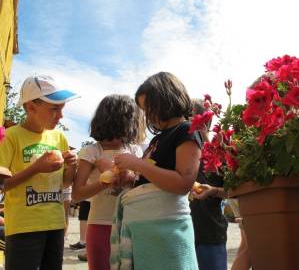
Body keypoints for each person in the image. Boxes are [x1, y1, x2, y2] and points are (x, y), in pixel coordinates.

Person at [112, 72, 202, 270]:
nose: (147, 116)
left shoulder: (187, 130)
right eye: (144, 110)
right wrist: (130, 176)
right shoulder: (157, 140)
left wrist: (137, 164)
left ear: (167, 99)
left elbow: (183, 183)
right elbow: (150, 175)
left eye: (149, 108)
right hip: (144, 230)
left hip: (166, 230)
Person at [0, 75, 79, 270]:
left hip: (55, 223)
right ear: (31, 107)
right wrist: (36, 168)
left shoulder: (59, 137)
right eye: (54, 108)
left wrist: (72, 165)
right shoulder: (11, 137)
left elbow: (65, 183)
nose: (60, 116)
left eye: (61, 109)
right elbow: (4, 185)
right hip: (23, 226)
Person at [72, 94, 144, 270]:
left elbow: (142, 184)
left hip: (130, 225)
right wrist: (105, 181)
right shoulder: (91, 151)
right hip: (100, 223)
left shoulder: (134, 150)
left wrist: (127, 176)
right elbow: (77, 193)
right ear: (129, 120)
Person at [189, 99, 228, 270]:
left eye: (188, 118)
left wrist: (212, 190)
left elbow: (231, 191)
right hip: (183, 234)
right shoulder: (180, 152)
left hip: (210, 235)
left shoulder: (220, 151)